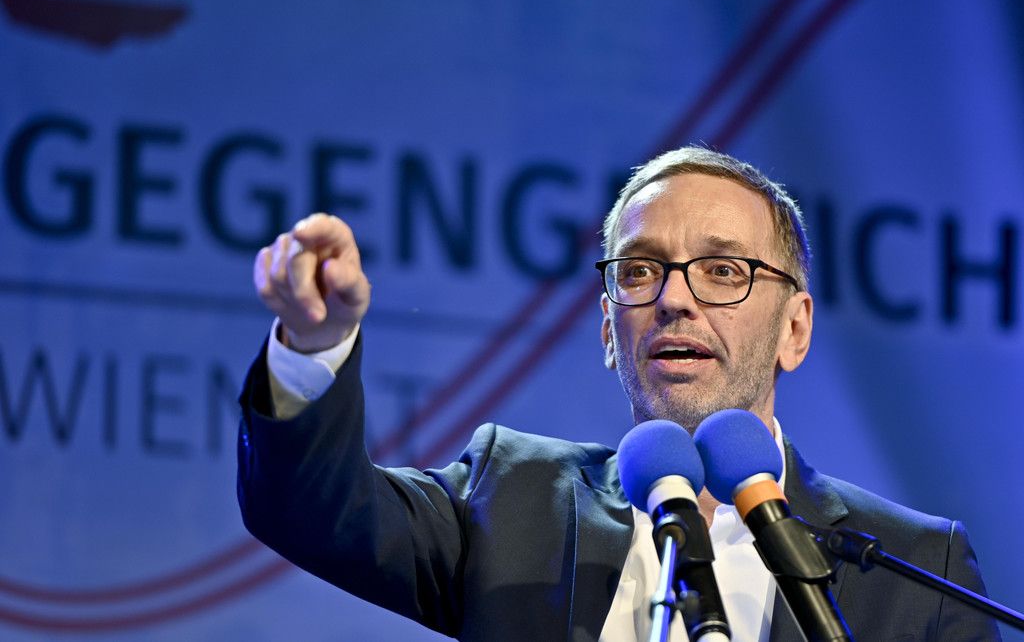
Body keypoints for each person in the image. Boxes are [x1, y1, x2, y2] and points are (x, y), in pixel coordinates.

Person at [237, 147, 1000, 641]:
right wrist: (313, 343)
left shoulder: (914, 568)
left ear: (794, 329)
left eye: (723, 271)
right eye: (639, 270)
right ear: (610, 329)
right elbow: (311, 512)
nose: (674, 299)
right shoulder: (513, 499)